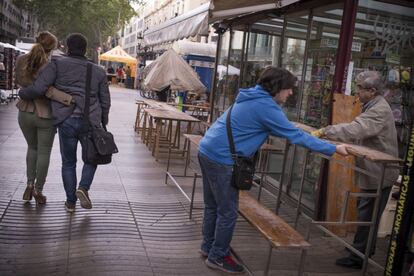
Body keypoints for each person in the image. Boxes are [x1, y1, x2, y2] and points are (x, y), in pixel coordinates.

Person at [198, 67, 349, 274]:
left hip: (208, 149)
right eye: (288, 89)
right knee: (228, 212)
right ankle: (218, 256)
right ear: (277, 88)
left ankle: (208, 247)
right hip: (222, 159)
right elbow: (296, 137)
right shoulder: (266, 107)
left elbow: (278, 126)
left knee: (213, 206)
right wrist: (333, 148)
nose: (291, 93)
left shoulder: (250, 96)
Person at [312, 71, 399, 269]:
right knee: (366, 212)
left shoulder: (379, 110)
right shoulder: (373, 105)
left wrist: (327, 131)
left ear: (372, 91)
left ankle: (359, 256)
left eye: (360, 88)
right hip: (375, 171)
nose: (356, 91)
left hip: (380, 173)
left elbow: (355, 130)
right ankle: (361, 250)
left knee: (367, 215)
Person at [18, 33, 111, 213]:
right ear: (85, 50)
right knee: (92, 157)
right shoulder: (98, 71)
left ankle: (70, 203)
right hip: (90, 121)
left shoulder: (57, 65)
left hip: (65, 120)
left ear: (67, 48)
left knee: (68, 162)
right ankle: (83, 188)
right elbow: (105, 100)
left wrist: (22, 94)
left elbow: (39, 88)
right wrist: (103, 121)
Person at [15, 31, 74, 204]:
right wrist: (67, 99)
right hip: (45, 115)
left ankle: (29, 183)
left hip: (24, 111)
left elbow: (21, 83)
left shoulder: (21, 61)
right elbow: (52, 89)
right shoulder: (52, 65)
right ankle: (38, 190)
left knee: (32, 148)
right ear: (53, 47)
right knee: (44, 152)